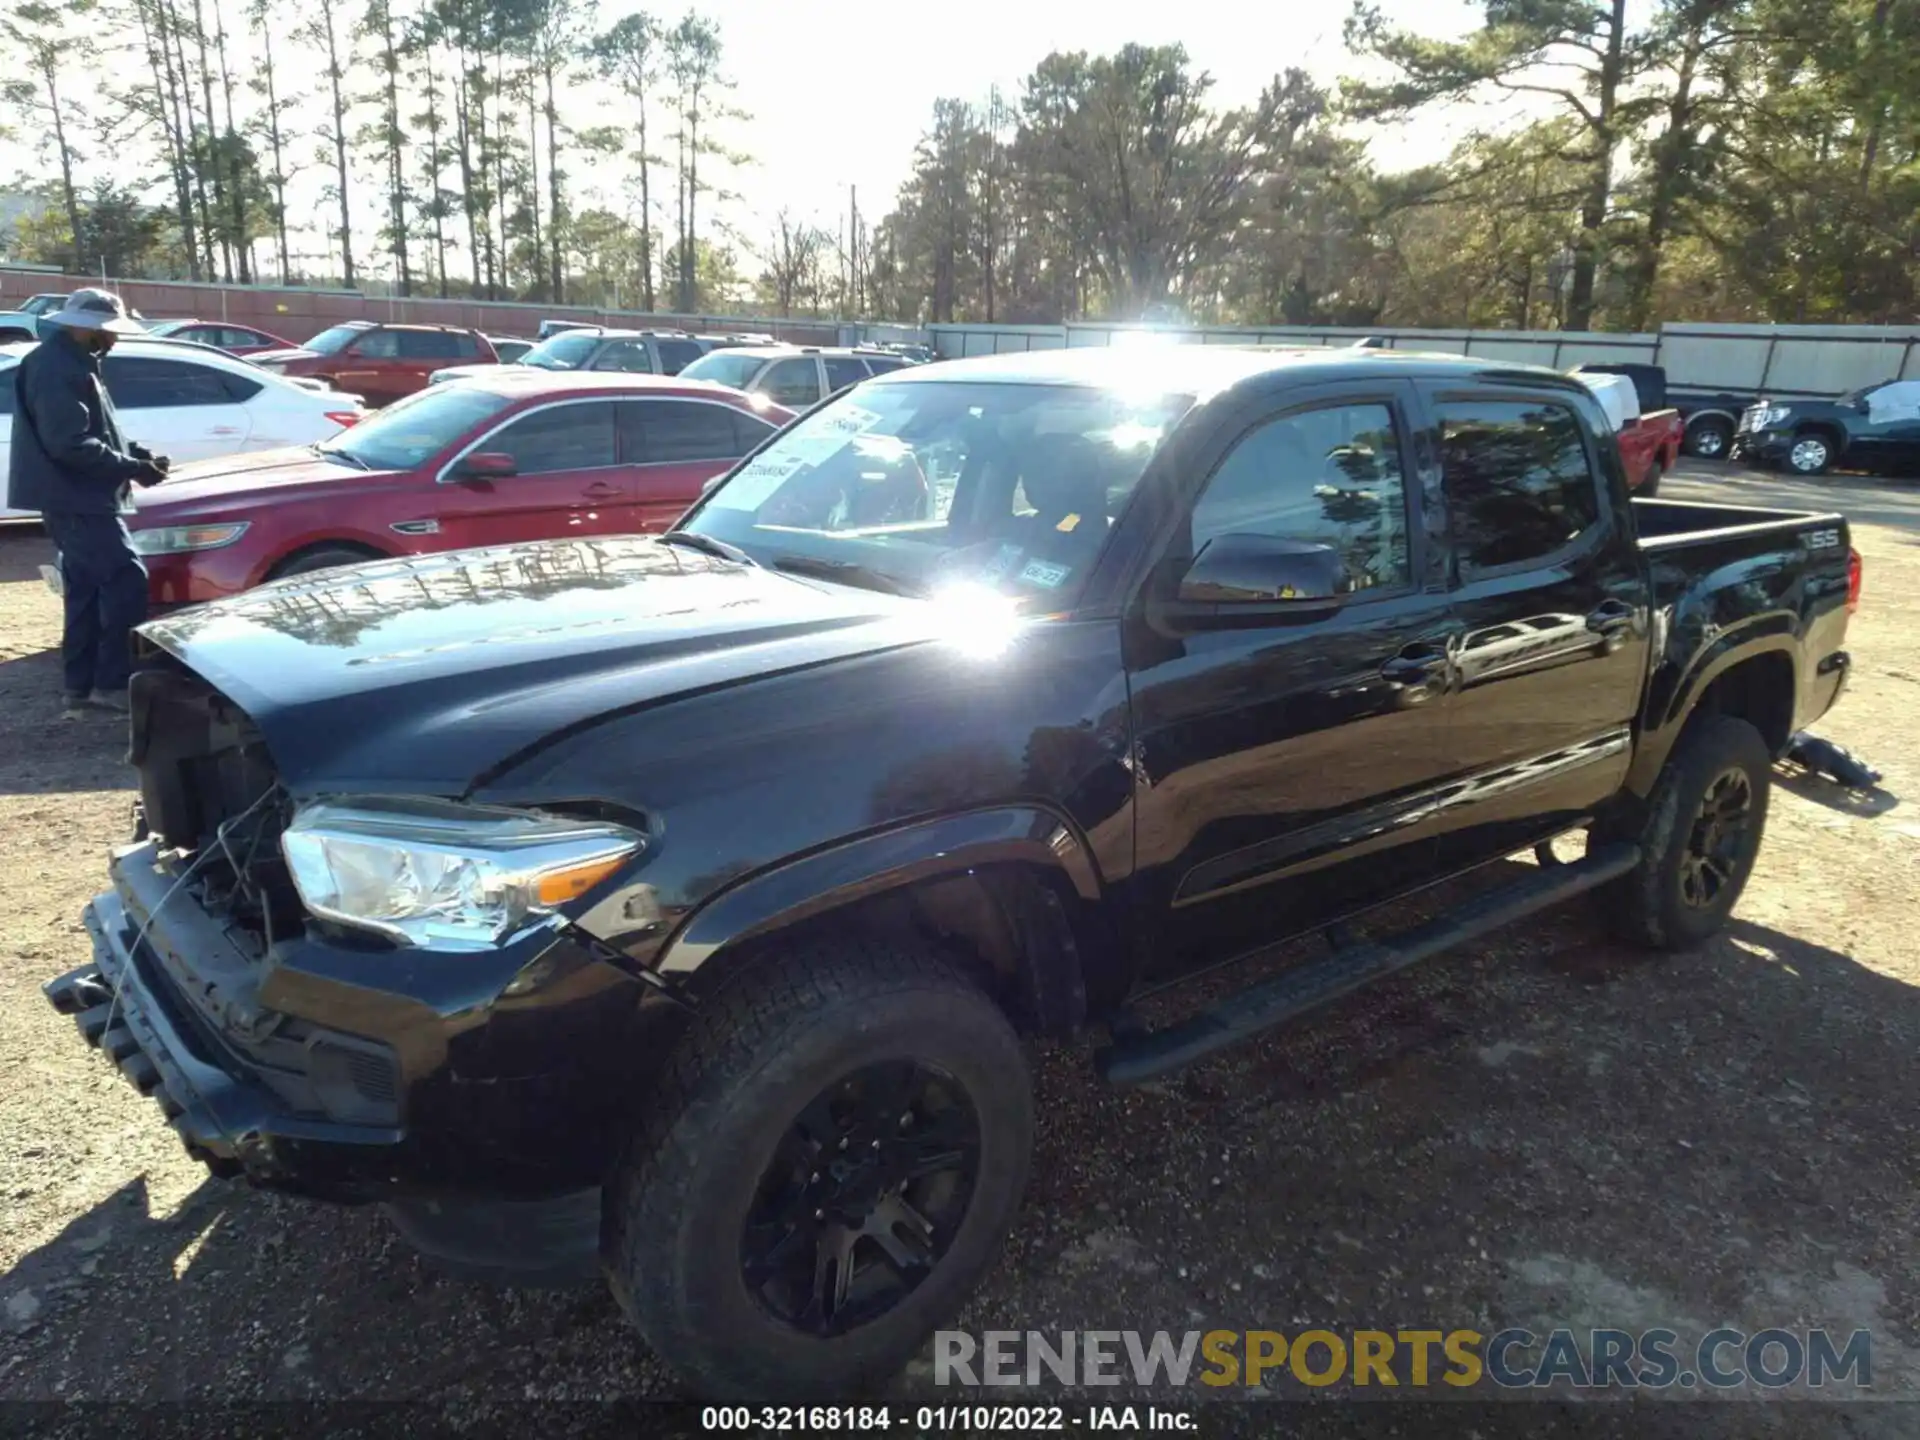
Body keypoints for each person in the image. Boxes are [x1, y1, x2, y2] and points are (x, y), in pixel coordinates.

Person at [5, 288, 169, 718]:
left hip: (76, 498)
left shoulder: (71, 362)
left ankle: (81, 688)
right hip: (76, 499)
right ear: (83, 327)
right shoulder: (58, 367)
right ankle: (110, 684)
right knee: (125, 580)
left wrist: (137, 455)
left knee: (86, 593)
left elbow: (94, 431)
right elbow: (69, 444)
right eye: (107, 332)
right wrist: (131, 467)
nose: (113, 340)